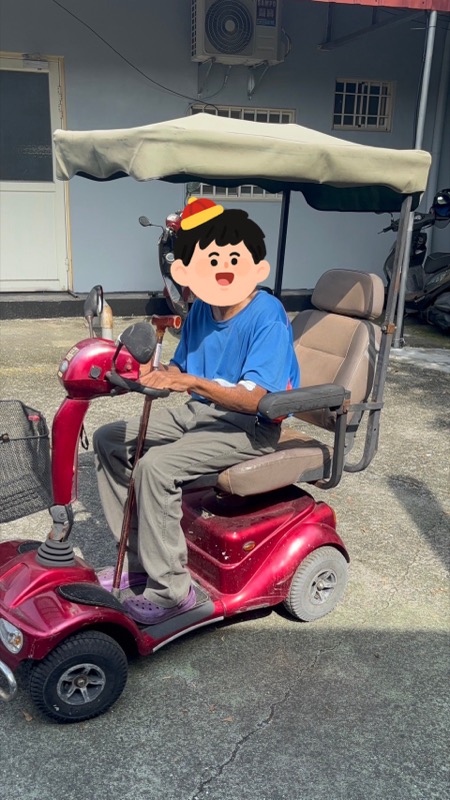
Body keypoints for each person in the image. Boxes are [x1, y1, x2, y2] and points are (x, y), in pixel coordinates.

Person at [94, 198, 300, 625]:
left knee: (155, 467)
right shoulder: (203, 306)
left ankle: (173, 592)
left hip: (249, 427)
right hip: (198, 412)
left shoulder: (267, 315)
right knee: (109, 439)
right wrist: (154, 374)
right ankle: (139, 561)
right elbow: (181, 368)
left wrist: (188, 382)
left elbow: (257, 399)